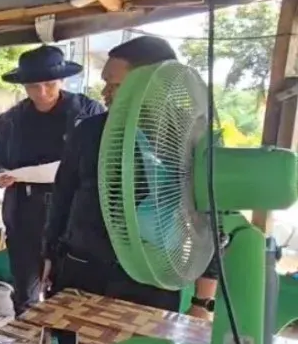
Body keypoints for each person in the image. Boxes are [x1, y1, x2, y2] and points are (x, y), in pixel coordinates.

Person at [43, 36, 219, 317]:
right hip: (82, 272)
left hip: (149, 281)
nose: (105, 92)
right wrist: (50, 256)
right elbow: (62, 196)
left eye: (115, 85)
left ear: (154, 83)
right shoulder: (89, 131)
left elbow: (212, 223)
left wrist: (202, 302)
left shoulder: (191, 137)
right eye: (105, 83)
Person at [0, 45, 106, 316]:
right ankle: (26, 338)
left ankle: (62, 341)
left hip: (73, 215)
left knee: (68, 296)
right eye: (33, 86)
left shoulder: (88, 113)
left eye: (49, 84)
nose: (42, 92)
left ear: (62, 80)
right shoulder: (10, 121)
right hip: (24, 213)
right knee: (25, 293)